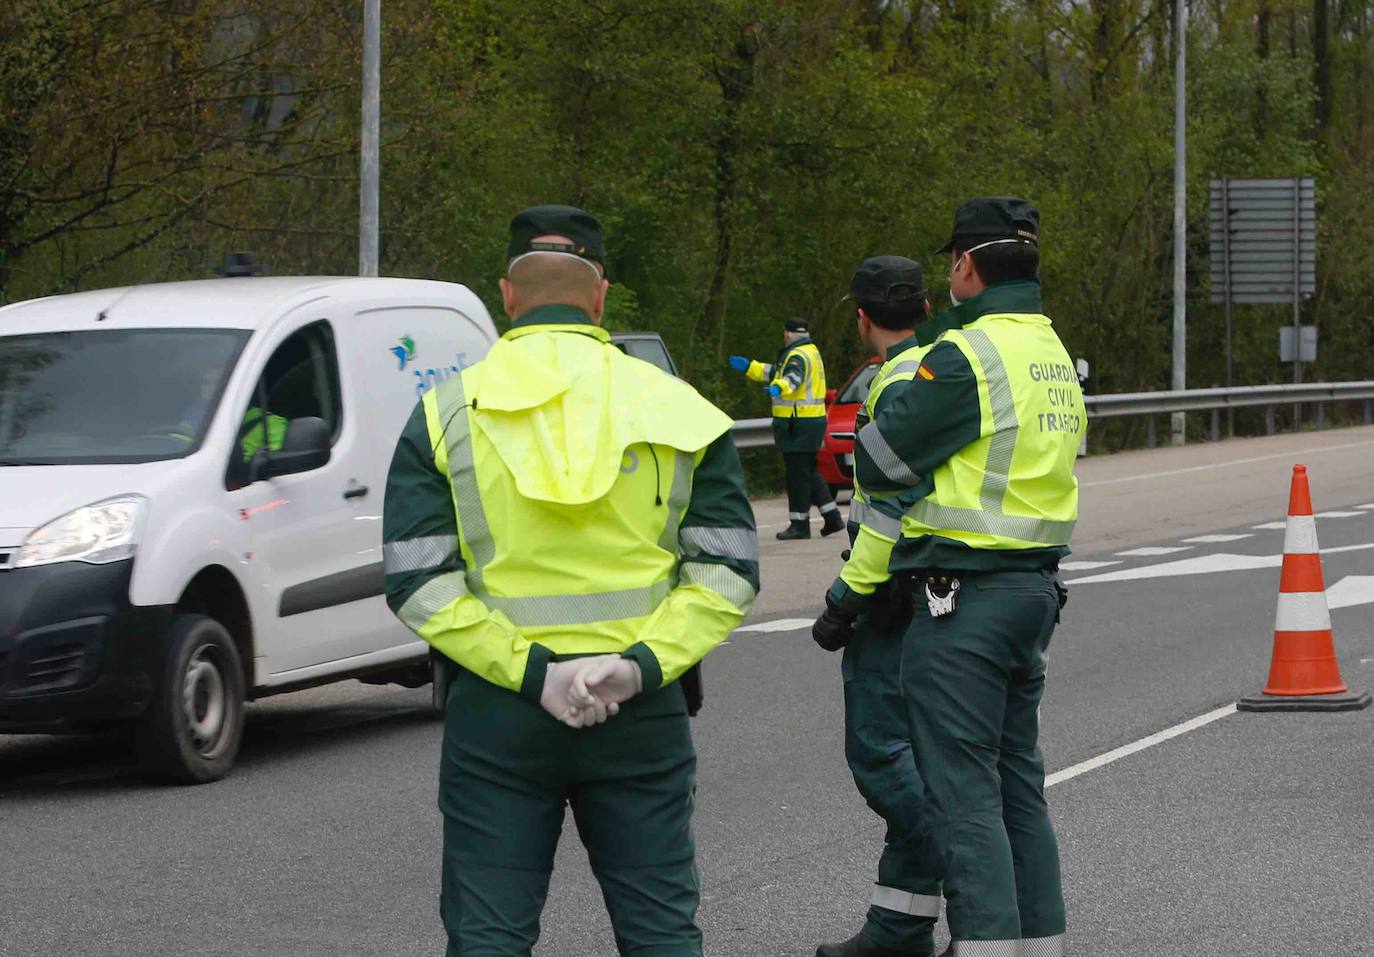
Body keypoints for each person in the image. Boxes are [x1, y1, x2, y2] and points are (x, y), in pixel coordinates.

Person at [382, 204, 759, 957]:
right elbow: (727, 570)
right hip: (640, 709)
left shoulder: (445, 412)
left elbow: (417, 580)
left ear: (508, 295)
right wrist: (636, 666)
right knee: (660, 932)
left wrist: (532, 674)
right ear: (600, 294)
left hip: (501, 712)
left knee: (489, 935)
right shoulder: (679, 409)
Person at [851, 198, 1081, 957]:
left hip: (964, 599)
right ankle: (1039, 945)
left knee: (962, 794)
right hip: (1033, 591)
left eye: (953, 259)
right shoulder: (1050, 350)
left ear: (966, 267)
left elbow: (879, 460)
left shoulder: (966, 355)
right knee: (1018, 789)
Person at [811, 257, 956, 957]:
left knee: (878, 754)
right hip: (938, 587)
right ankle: (900, 925)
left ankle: (977, 881)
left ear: (862, 317)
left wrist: (845, 599)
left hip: (894, 589)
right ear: (926, 305)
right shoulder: (941, 367)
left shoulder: (896, 383)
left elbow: (888, 512)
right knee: (922, 760)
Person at [728, 318, 844, 540]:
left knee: (797, 476)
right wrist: (750, 367)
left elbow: (791, 378)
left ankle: (799, 525)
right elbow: (778, 371)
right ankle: (832, 518)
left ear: (789, 334)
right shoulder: (807, 351)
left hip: (797, 423)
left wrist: (778, 388)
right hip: (810, 421)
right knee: (808, 471)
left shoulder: (798, 355)